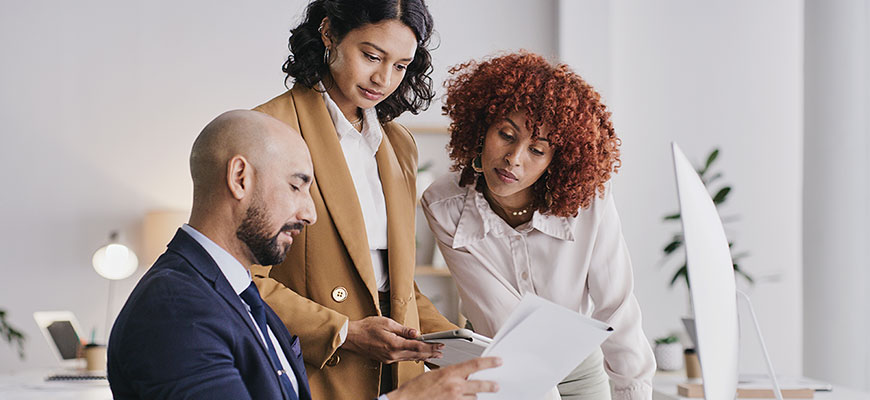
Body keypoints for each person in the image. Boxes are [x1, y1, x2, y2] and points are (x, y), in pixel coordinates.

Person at [107, 110, 500, 400]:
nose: (310, 214)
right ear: (240, 178)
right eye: (297, 187)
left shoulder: (239, 295)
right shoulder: (176, 309)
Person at [251, 1, 457, 399]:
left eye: (401, 66)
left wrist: (461, 345)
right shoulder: (270, 130)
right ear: (328, 32)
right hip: (316, 372)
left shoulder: (398, 144)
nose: (383, 78)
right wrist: (343, 332)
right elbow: (241, 279)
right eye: (372, 56)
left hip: (399, 375)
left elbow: (395, 285)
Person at [421, 52, 657, 400]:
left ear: (556, 162)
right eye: (506, 134)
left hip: (581, 371)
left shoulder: (589, 202)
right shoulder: (444, 205)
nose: (513, 159)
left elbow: (617, 308)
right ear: (482, 127)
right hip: (497, 365)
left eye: (537, 150)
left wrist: (633, 392)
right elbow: (497, 316)